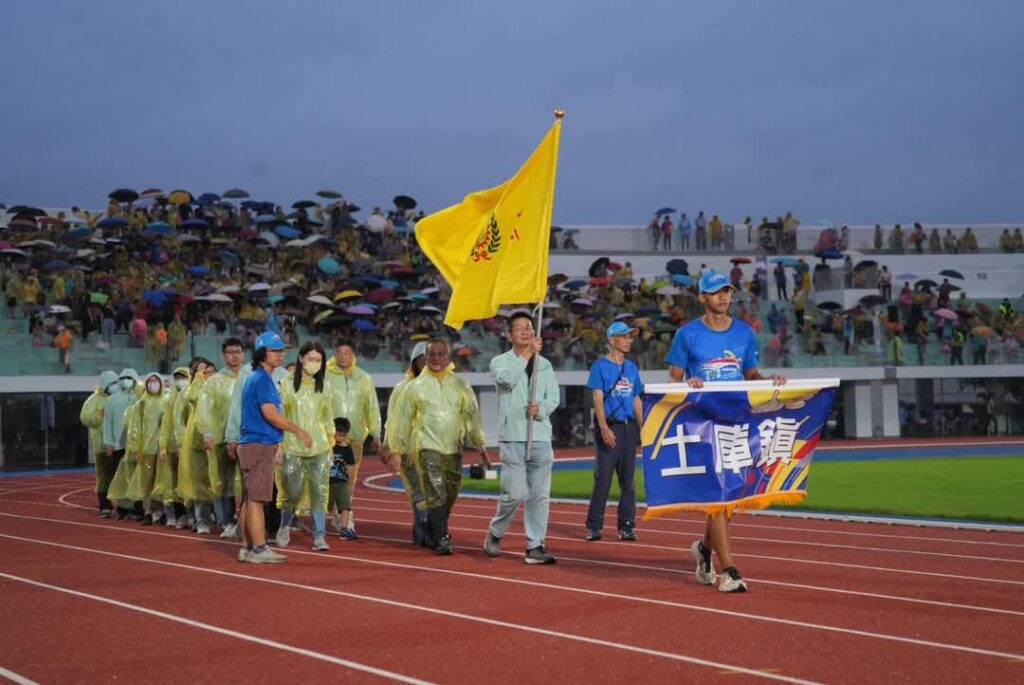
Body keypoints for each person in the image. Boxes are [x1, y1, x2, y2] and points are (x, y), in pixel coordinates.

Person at [666, 270, 786, 593]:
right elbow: (674, 376)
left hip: (737, 421)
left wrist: (769, 381)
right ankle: (729, 570)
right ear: (702, 297)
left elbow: (751, 374)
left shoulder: (744, 333)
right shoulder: (687, 334)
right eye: (716, 291)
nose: (723, 297)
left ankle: (705, 549)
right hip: (703, 422)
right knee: (717, 497)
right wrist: (687, 382)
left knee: (728, 498)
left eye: (728, 291)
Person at [389, 338, 489, 555]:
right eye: (431, 354)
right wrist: (396, 449)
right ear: (425, 357)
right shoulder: (414, 387)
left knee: (449, 495)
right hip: (426, 446)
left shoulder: (461, 385)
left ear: (448, 356)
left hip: (453, 448)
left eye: (441, 354)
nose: (436, 358)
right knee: (435, 490)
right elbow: (402, 420)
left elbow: (471, 415)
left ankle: (431, 531)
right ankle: (442, 538)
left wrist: (479, 441)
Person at [483, 311, 560, 565]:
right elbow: (506, 380)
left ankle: (535, 545)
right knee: (514, 493)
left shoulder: (545, 364)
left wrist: (542, 409)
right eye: (520, 328)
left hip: (540, 436)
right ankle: (496, 531)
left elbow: (554, 397)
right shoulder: (500, 362)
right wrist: (527, 355)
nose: (527, 331)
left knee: (539, 495)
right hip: (513, 437)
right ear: (509, 335)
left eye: (529, 327)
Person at [237, 331, 313, 564]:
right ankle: (259, 549)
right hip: (259, 444)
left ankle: (247, 546)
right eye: (275, 350)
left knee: (250, 499)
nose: (281, 354)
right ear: (262, 353)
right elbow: (270, 414)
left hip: (252, 443)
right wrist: (298, 431)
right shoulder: (262, 379)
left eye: (282, 350)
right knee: (258, 500)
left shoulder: (255, 377)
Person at [584, 321, 644, 542]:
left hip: (629, 428)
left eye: (630, 337)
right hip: (610, 426)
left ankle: (627, 525)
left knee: (628, 481)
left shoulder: (632, 367)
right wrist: (603, 428)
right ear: (612, 340)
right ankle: (594, 525)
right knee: (603, 479)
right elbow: (597, 399)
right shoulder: (600, 366)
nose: (629, 340)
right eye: (624, 336)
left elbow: (636, 399)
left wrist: (643, 428)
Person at [275, 341, 335, 551]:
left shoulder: (324, 386)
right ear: (301, 358)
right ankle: (285, 525)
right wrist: (280, 444)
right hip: (292, 447)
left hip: (318, 447)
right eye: (311, 359)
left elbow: (327, 416)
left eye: (318, 360)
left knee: (320, 491)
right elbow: (280, 416)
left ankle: (320, 536)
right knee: (292, 491)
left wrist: (330, 443)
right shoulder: (286, 384)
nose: (314, 363)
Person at [325, 339, 382, 532]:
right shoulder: (325, 376)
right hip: (330, 437)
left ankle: (344, 515)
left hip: (355, 436)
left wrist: (376, 434)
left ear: (354, 355)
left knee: (350, 478)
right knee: (329, 477)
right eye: (339, 352)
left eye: (347, 352)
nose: (343, 356)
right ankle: (330, 512)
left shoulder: (364, 378)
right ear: (334, 354)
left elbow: (371, 406)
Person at [197, 338, 245, 538]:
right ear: (223, 355)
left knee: (248, 481)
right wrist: (207, 432)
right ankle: (226, 521)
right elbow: (204, 408)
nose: (235, 355)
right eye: (230, 352)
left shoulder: (249, 377)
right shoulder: (214, 381)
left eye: (238, 351)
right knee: (222, 482)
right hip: (221, 438)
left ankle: (245, 521)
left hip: (246, 437)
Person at [383, 342, 429, 544]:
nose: (426, 363)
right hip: (410, 449)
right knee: (419, 493)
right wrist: (389, 446)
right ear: (414, 362)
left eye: (429, 359)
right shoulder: (402, 388)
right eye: (422, 360)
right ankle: (424, 533)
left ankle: (427, 533)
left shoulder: (444, 387)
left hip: (438, 449)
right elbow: (392, 418)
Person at [125, 372, 166, 524]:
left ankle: (161, 511)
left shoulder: (166, 401)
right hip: (147, 449)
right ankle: (148, 511)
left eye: (156, 381)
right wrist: (136, 448)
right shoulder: (141, 405)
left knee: (161, 480)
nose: (153, 384)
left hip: (162, 448)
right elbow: (135, 428)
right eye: (150, 382)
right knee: (147, 482)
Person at [155, 367, 191, 528]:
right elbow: (166, 424)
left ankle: (191, 515)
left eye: (183, 377)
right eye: (177, 377)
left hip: (189, 445)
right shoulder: (169, 399)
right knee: (173, 481)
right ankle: (178, 514)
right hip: (172, 447)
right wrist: (163, 445)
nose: (179, 381)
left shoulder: (192, 395)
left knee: (190, 481)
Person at [101, 368, 140, 520]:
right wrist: (108, 443)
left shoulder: (139, 397)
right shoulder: (112, 399)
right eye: (123, 378)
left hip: (135, 446)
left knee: (135, 478)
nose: (126, 380)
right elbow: (107, 423)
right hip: (118, 445)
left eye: (129, 378)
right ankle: (123, 508)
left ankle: (136, 508)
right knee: (121, 478)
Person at [79, 370, 119, 517]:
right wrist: (99, 414)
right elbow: (85, 418)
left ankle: (123, 505)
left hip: (119, 444)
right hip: (101, 445)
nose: (114, 386)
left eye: (116, 383)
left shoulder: (118, 397)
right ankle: (104, 504)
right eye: (112, 383)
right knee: (103, 476)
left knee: (119, 474)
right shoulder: (93, 400)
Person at [329, 418, 356, 540]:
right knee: (323, 506)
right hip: (327, 482)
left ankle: (344, 528)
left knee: (345, 506)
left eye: (344, 435)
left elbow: (351, 466)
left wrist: (350, 484)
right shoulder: (328, 446)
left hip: (342, 482)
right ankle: (318, 527)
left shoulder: (347, 449)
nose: (342, 438)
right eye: (339, 435)